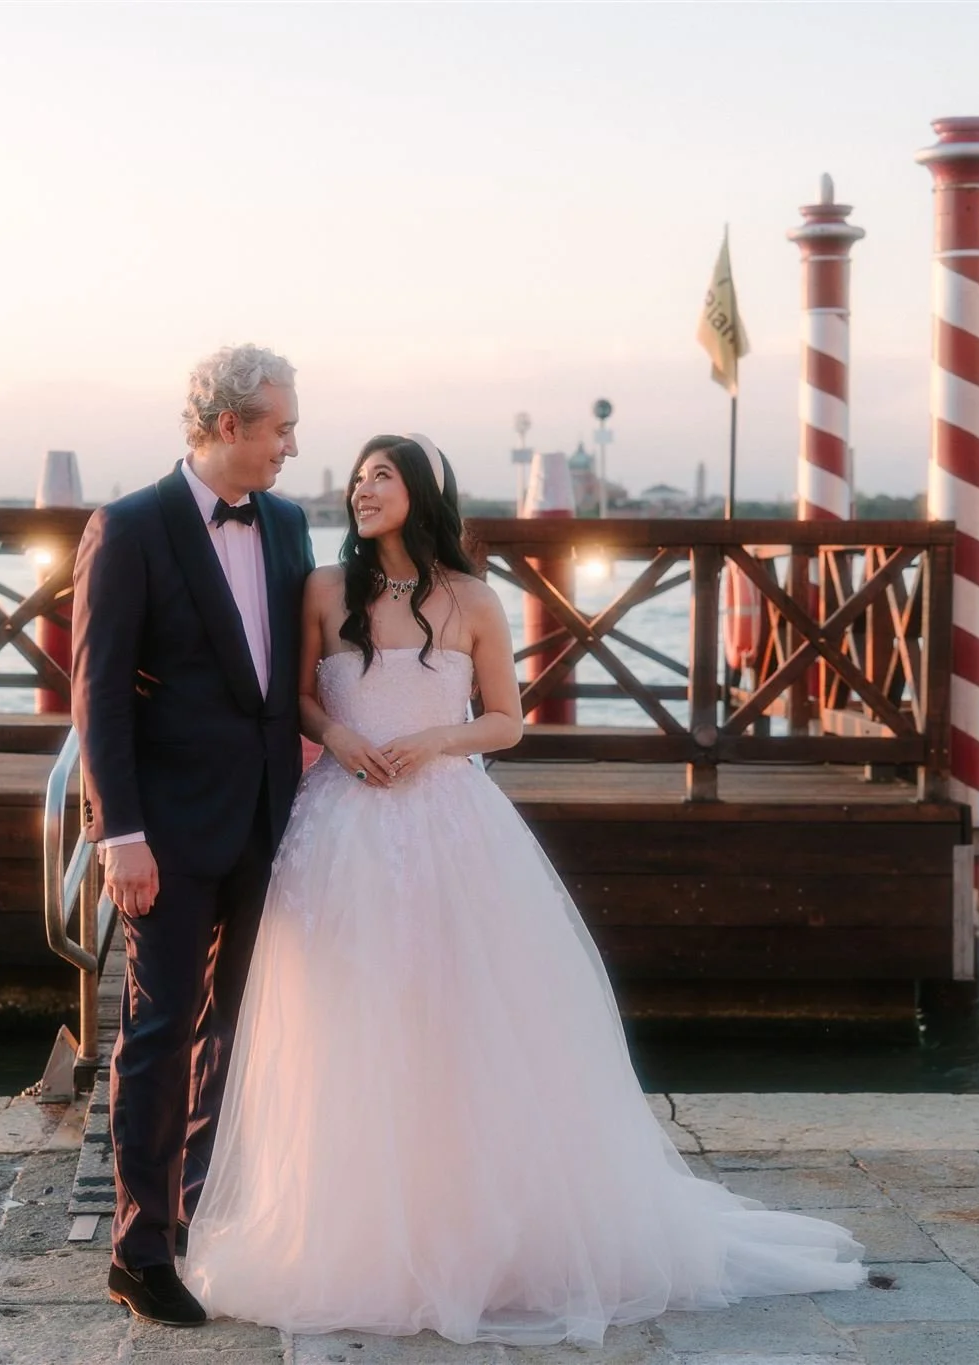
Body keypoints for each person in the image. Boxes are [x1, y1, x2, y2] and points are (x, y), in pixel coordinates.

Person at [180, 434, 867, 1346]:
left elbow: (506, 721)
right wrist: (339, 740)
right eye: (356, 478)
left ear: (422, 493)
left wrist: (431, 742)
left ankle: (468, 1228)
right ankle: (355, 1225)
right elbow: (298, 698)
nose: (362, 489)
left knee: (456, 1020)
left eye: (382, 476)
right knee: (345, 1022)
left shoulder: (473, 600)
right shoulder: (323, 589)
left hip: (447, 826)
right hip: (340, 824)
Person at [70, 345, 313, 1326]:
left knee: (242, 1029)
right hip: (163, 830)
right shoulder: (128, 529)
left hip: (271, 818)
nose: (292, 446)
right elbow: (98, 696)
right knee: (161, 1032)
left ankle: (207, 1214)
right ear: (225, 426)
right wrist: (115, 830)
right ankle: (140, 1248)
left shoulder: (290, 523)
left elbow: (301, 673)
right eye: (278, 428)